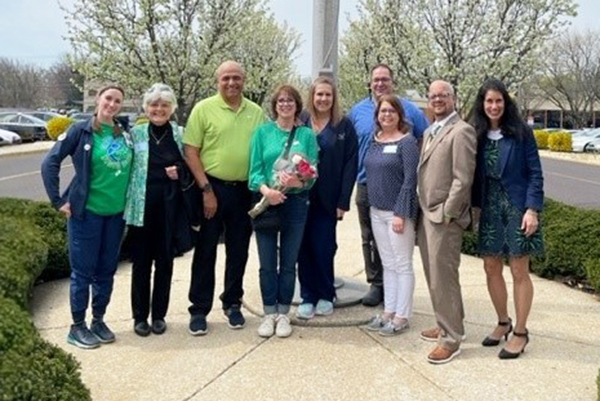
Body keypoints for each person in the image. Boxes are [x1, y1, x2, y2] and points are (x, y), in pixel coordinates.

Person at [41, 84, 132, 349]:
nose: (112, 104)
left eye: (117, 101)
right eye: (108, 99)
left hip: (115, 215)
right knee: (83, 272)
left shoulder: (121, 132)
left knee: (106, 271)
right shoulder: (79, 130)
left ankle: (99, 320)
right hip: (87, 215)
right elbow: (50, 163)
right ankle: (77, 326)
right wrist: (58, 200)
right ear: (97, 100)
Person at [184, 61, 265, 336]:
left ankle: (232, 303)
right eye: (226, 78)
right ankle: (199, 309)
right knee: (206, 250)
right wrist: (206, 190)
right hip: (211, 189)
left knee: (238, 250)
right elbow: (191, 151)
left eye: (237, 78)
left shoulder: (255, 112)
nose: (232, 83)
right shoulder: (203, 109)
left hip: (245, 191)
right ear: (217, 81)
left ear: (245, 80)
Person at [471, 78, 544, 359]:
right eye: (489, 101)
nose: (493, 106)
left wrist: (532, 209)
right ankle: (503, 321)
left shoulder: (522, 133)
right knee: (491, 268)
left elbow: (535, 173)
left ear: (506, 103)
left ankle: (521, 332)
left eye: (498, 101)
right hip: (489, 208)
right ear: (482, 104)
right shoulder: (476, 133)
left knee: (518, 270)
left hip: (517, 208)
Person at [348, 63, 429, 306]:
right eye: (376, 80)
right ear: (370, 83)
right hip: (365, 182)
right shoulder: (357, 111)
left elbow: (425, 137)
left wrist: (416, 168)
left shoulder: (410, 110)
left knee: (398, 239)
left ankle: (397, 293)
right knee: (370, 237)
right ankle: (377, 283)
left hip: (397, 184)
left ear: (393, 82)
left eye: (385, 79)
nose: (380, 83)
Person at [124, 83, 195, 337]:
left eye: (164, 105)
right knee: (141, 264)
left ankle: (159, 316)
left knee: (165, 263)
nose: (159, 109)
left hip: (170, 209)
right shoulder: (136, 133)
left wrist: (179, 171)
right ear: (146, 108)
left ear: (171, 108)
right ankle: (140, 316)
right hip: (142, 207)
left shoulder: (179, 133)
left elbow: (192, 166)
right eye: (154, 105)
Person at [249, 84, 319, 338]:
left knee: (289, 264)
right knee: (267, 263)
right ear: (275, 105)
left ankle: (283, 313)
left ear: (297, 105)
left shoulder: (307, 136)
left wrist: (297, 182)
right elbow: (254, 171)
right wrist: (268, 192)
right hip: (268, 203)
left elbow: (312, 173)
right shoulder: (262, 133)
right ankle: (268, 313)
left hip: (296, 204)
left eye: (290, 100)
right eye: (281, 101)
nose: (285, 105)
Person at [417, 80, 477, 364]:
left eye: (443, 95)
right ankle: (446, 322)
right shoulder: (430, 130)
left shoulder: (462, 131)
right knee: (435, 276)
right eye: (433, 96)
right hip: (426, 213)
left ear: (453, 98)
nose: (437, 99)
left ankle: (451, 339)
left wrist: (448, 213)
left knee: (445, 278)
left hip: (443, 216)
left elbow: (463, 178)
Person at [296, 77, 358, 319]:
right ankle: (307, 295)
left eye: (327, 95)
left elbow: (350, 165)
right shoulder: (300, 122)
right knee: (302, 246)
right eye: (319, 94)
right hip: (300, 197)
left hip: (329, 200)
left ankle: (325, 293)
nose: (323, 99)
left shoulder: (344, 126)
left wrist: (343, 202)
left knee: (324, 246)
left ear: (334, 98)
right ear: (312, 96)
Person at [364, 95, 419, 336]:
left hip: (398, 214)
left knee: (402, 264)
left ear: (399, 115)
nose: (386, 115)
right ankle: (389, 310)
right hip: (376, 212)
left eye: (391, 111)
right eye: (382, 111)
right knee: (387, 264)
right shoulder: (374, 141)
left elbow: (410, 180)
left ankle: (402, 315)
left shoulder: (407, 143)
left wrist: (401, 213)